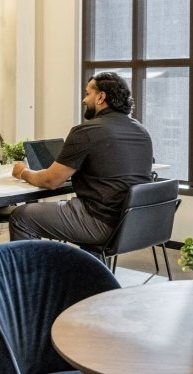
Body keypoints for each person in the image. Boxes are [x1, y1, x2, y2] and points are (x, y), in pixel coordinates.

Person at [9, 72, 153, 246]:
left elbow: (50, 181)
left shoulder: (86, 131)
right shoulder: (141, 131)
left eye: (87, 93)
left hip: (101, 223)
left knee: (21, 216)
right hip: (135, 224)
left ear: (101, 97)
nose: (84, 100)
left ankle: (32, 266)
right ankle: (89, 264)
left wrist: (23, 172)